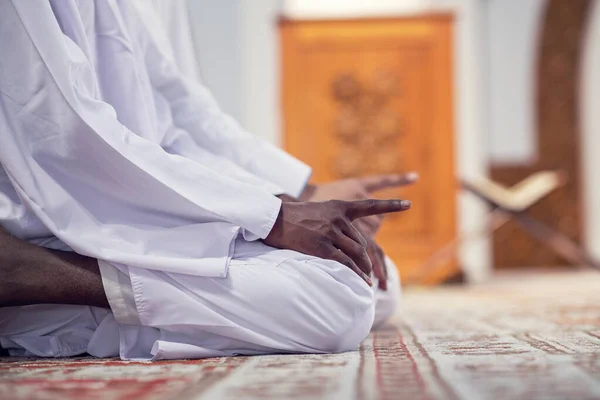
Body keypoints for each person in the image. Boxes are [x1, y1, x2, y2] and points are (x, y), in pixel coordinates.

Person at [0, 0, 415, 360]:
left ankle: (79, 304)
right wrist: (274, 217)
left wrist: (289, 200)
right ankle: (36, 275)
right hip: (60, 209)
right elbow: (66, 137)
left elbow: (170, 125)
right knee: (339, 303)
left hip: (134, 198)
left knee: (374, 284)